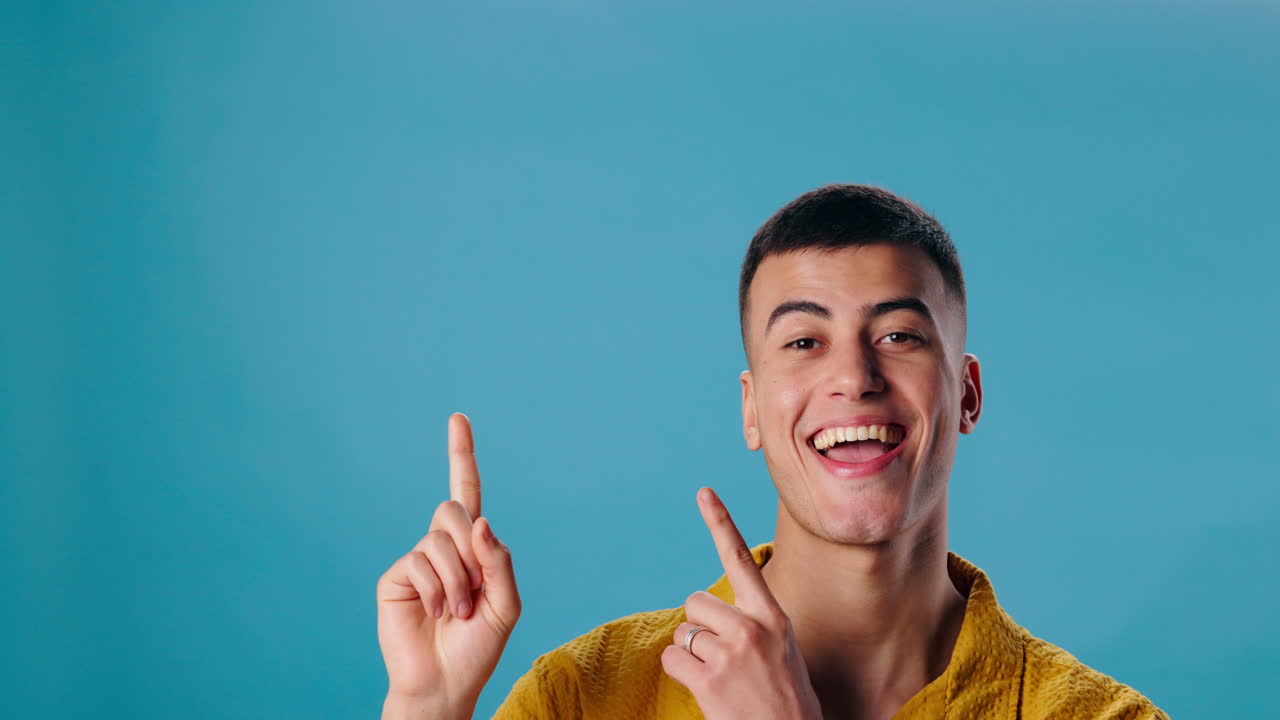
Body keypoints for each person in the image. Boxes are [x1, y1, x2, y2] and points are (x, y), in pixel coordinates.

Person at [376, 184, 1169, 719]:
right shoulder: (587, 695)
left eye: (898, 336)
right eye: (803, 340)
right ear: (752, 409)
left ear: (967, 394)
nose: (853, 378)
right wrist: (424, 706)